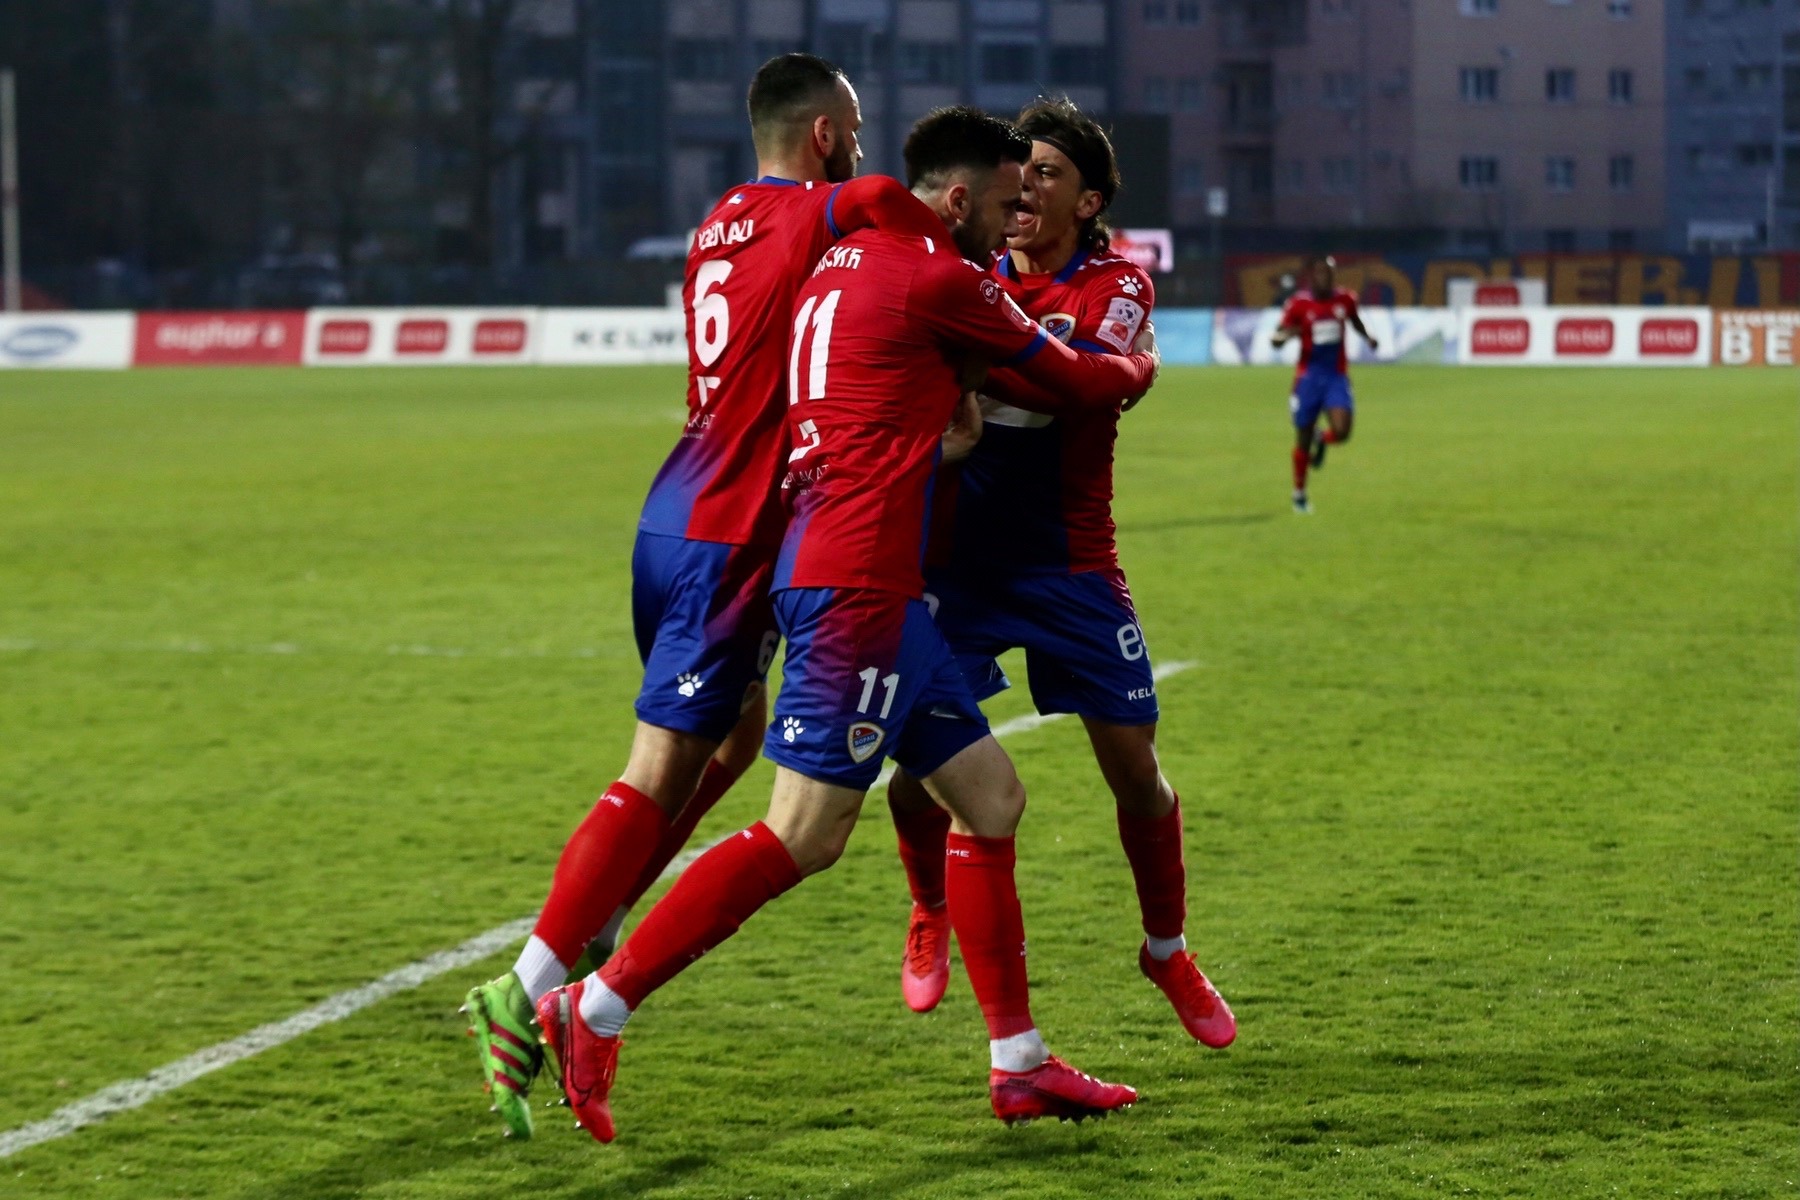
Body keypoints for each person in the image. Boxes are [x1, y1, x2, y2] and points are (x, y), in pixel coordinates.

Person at [533, 106, 1163, 1143]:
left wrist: (915, 438)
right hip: (859, 586)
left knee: (991, 799)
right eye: (1003, 202)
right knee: (805, 833)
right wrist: (1139, 367)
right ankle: (594, 1007)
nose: (1012, 223)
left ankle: (1019, 1065)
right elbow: (1076, 379)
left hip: (855, 568)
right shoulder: (940, 277)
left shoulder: (840, 264)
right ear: (956, 198)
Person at [460, 52, 946, 1140]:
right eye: (856, 125)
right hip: (734, 532)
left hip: (673, 504)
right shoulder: (833, 206)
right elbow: (899, 210)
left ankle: (600, 916)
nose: (865, 145)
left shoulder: (719, 220)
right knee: (659, 768)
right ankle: (526, 987)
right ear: (825, 135)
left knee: (732, 736)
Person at [883, 97, 1236, 1050]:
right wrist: (1044, 361)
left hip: (1070, 561)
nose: (1026, 188)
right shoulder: (968, 267)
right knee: (919, 773)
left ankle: (1167, 949)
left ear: (1089, 201)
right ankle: (929, 907)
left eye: (1047, 173)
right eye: (1019, 173)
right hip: (956, 560)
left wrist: (979, 359)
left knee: (1136, 771)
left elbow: (1073, 388)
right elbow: (1066, 376)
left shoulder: (1118, 284)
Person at [1271, 255, 1377, 514]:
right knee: (1303, 438)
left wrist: (1368, 337)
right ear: (1311, 277)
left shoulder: (1345, 300)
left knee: (1342, 431)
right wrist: (1286, 336)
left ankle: (1323, 437)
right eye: (1320, 273)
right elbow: (1277, 335)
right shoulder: (1298, 304)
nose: (1325, 278)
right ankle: (1299, 494)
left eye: (1329, 273)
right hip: (1308, 378)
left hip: (1335, 376)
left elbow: (1355, 320)